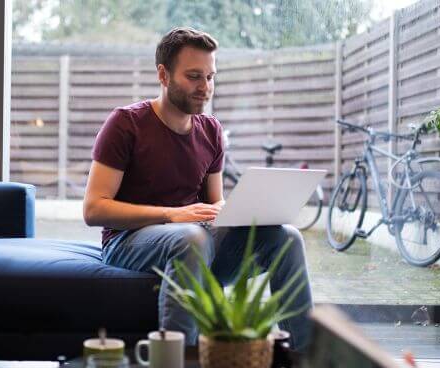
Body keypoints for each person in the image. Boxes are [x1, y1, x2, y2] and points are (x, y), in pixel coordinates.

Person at [83, 27, 313, 350]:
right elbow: (94, 209)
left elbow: (214, 205)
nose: (205, 88)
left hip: (195, 239)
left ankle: (304, 357)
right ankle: (183, 365)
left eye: (210, 77)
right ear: (163, 75)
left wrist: (240, 212)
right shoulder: (125, 124)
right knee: (191, 238)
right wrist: (172, 215)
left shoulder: (211, 131)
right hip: (127, 241)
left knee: (286, 237)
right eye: (194, 77)